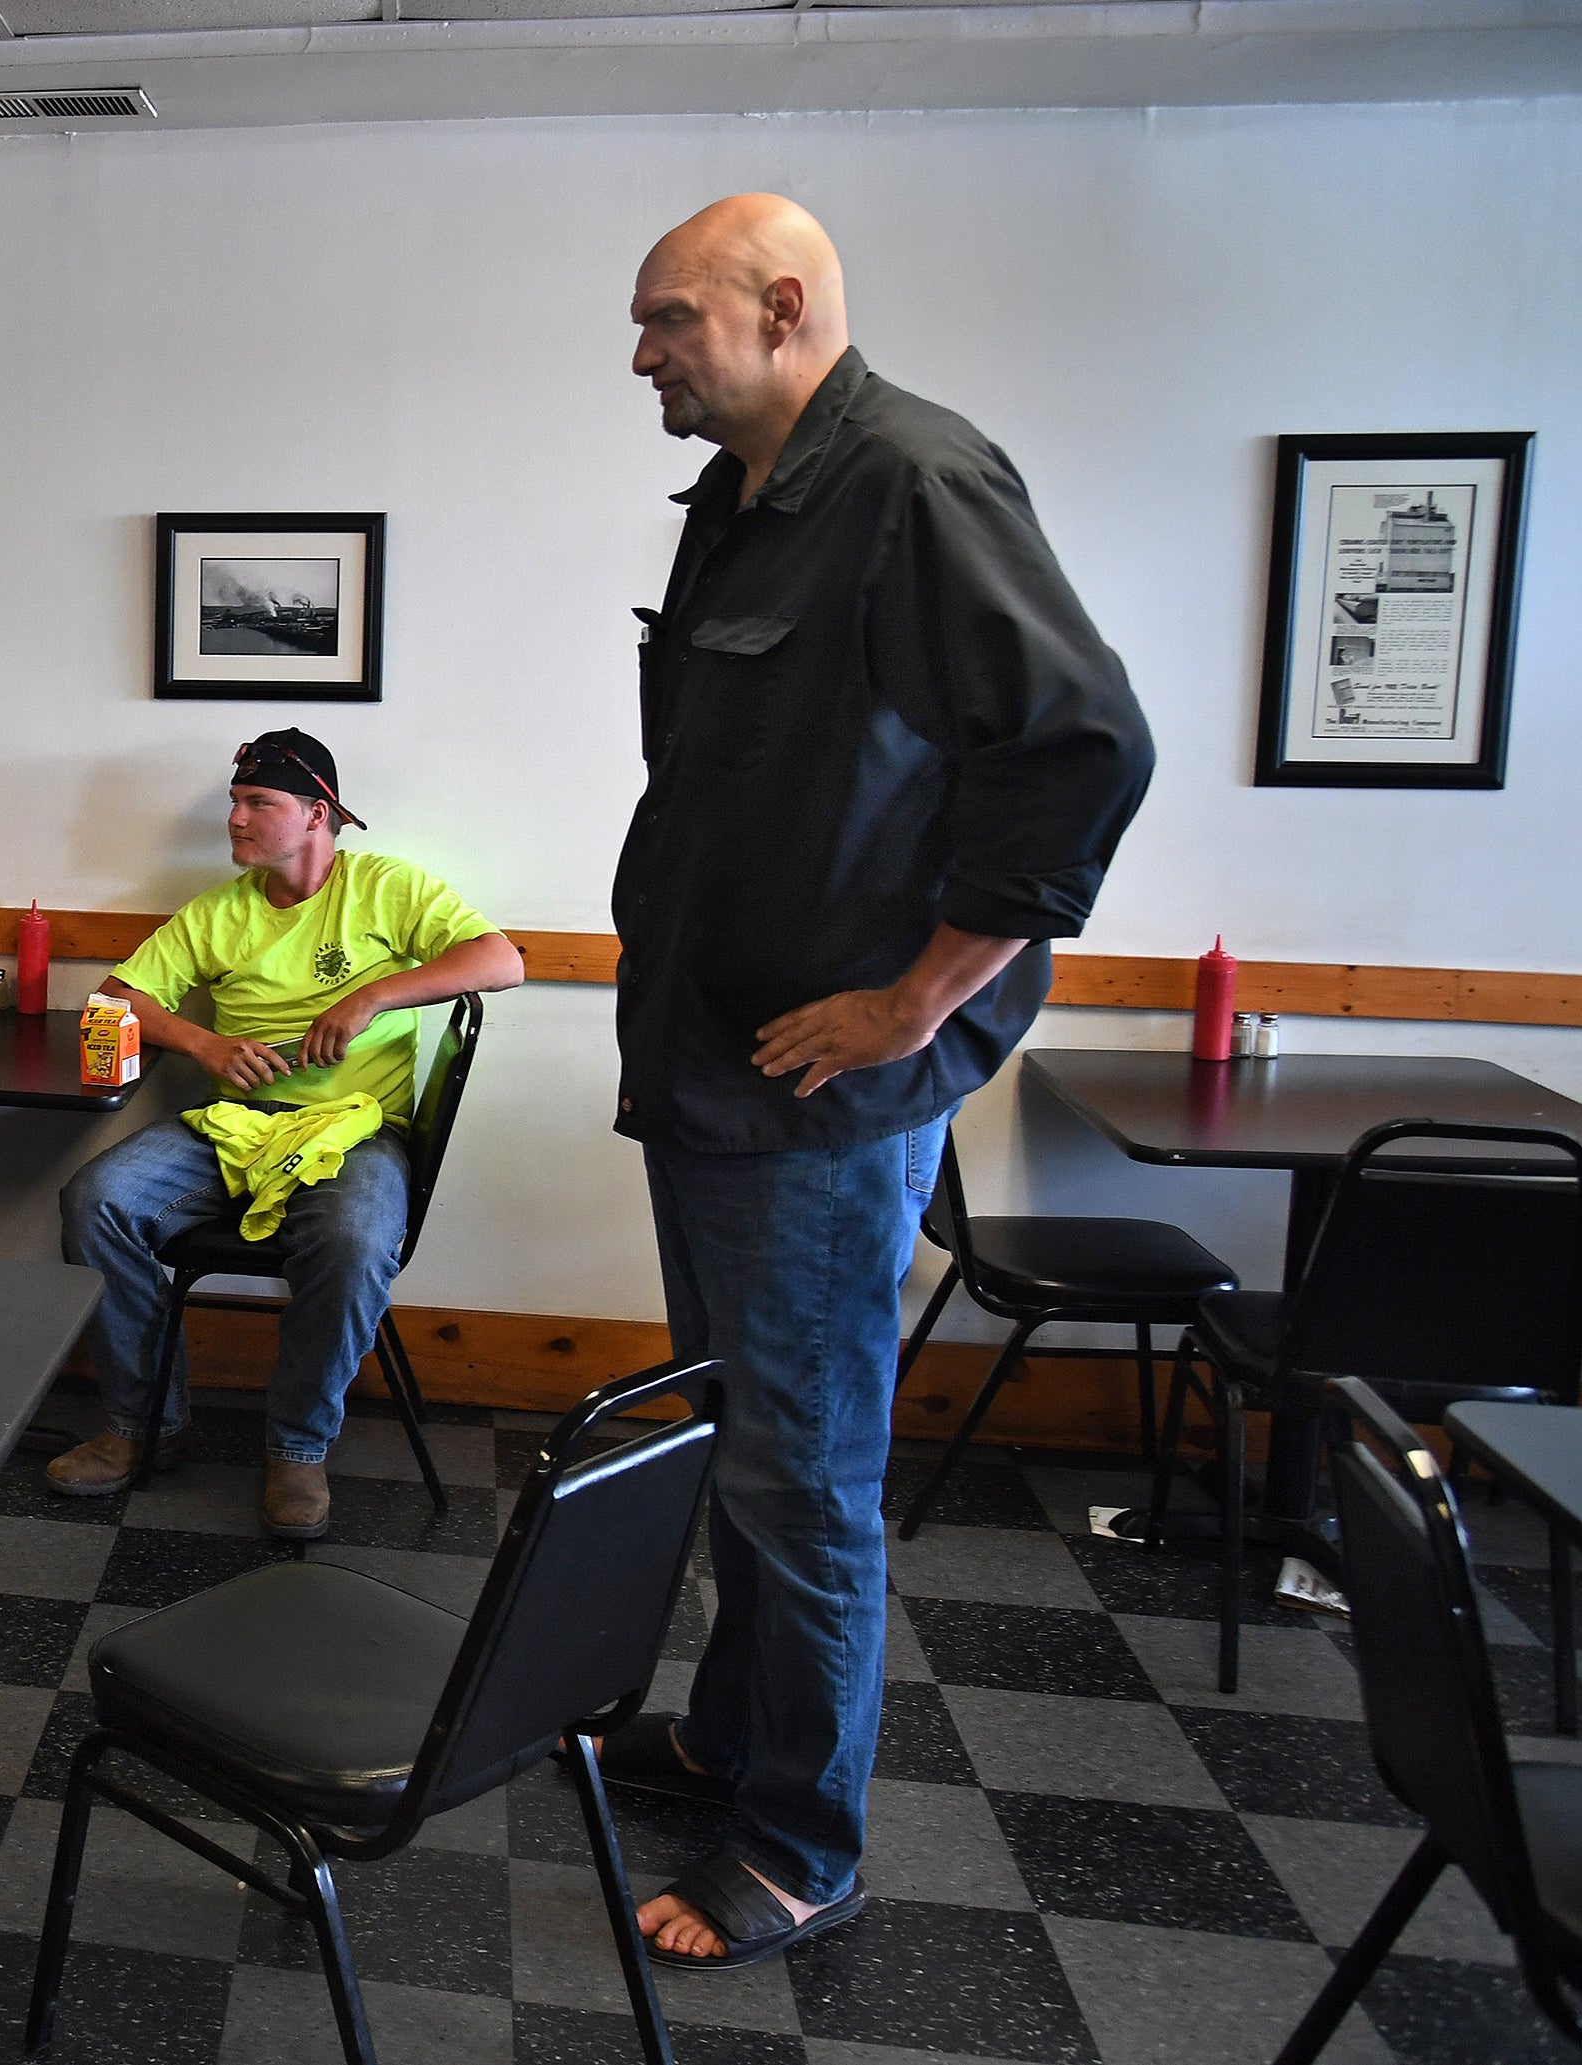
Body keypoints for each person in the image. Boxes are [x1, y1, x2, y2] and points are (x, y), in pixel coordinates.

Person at [599, 195, 1153, 1969]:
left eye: (670, 321)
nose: (644, 356)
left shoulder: (916, 480)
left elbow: (1083, 749)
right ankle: (732, 1737)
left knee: (805, 1471)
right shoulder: (741, 502)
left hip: (815, 1104)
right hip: (709, 1074)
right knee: (744, 1443)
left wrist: (919, 1001)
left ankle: (799, 1843)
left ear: (781, 307)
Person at [50, 730, 523, 1537]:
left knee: (353, 1238)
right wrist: (204, 1043)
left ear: (317, 814)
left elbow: (501, 960)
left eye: (256, 802)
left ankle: (299, 1448)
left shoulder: (383, 886)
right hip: (236, 1128)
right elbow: (113, 997)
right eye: (235, 802)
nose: (235, 819)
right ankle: (143, 1428)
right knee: (95, 1200)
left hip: (355, 1130)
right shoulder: (219, 910)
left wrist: (370, 998)